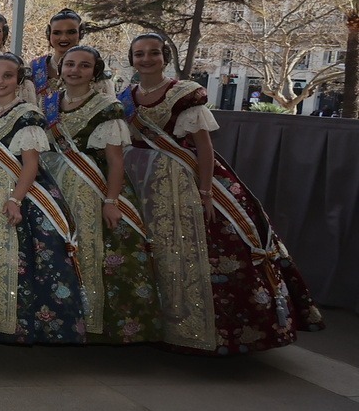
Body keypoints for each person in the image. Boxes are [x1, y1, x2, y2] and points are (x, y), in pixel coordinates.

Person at [119, 32, 322, 354]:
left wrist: (205, 192)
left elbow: (204, 147)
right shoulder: (125, 97)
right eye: (139, 53)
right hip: (139, 182)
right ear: (131, 59)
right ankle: (155, 324)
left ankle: (206, 331)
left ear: (165, 57)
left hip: (182, 179)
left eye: (153, 52)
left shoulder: (184, 94)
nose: (146, 59)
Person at [0, 53, 87, 345]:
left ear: (19, 80)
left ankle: (9, 321)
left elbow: (31, 164)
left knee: (11, 252)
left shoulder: (28, 115)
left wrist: (16, 199)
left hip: (9, 188)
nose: (0, 81)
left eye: (8, 76)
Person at [40, 45, 160, 344]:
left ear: (95, 71)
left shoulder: (107, 107)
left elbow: (116, 161)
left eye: (84, 65)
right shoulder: (49, 103)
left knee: (89, 248)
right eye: (69, 64)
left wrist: (111, 201)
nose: (75, 70)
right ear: (60, 68)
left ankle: (92, 320)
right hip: (54, 185)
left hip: (90, 189)